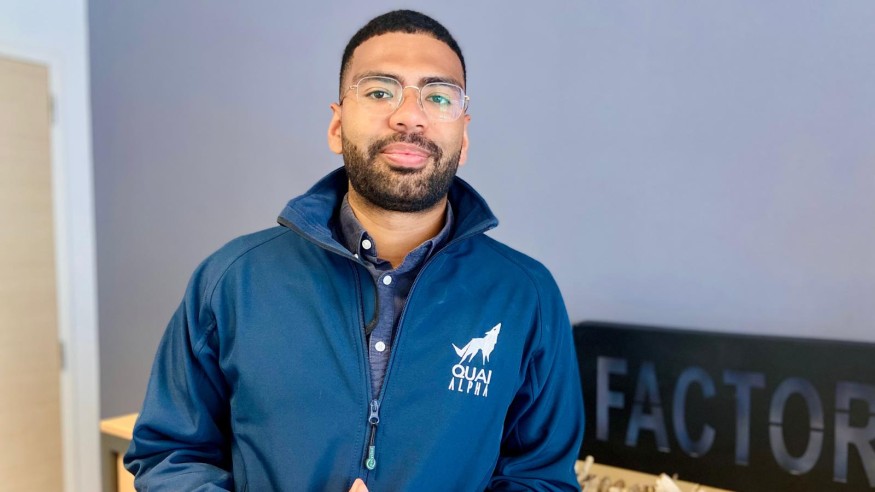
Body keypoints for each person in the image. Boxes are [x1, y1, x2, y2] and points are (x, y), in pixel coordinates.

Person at [125, 9, 584, 491]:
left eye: (438, 96)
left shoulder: (525, 295)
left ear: (463, 137)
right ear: (336, 125)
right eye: (380, 91)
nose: (409, 115)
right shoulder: (232, 280)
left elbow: (541, 477)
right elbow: (171, 455)